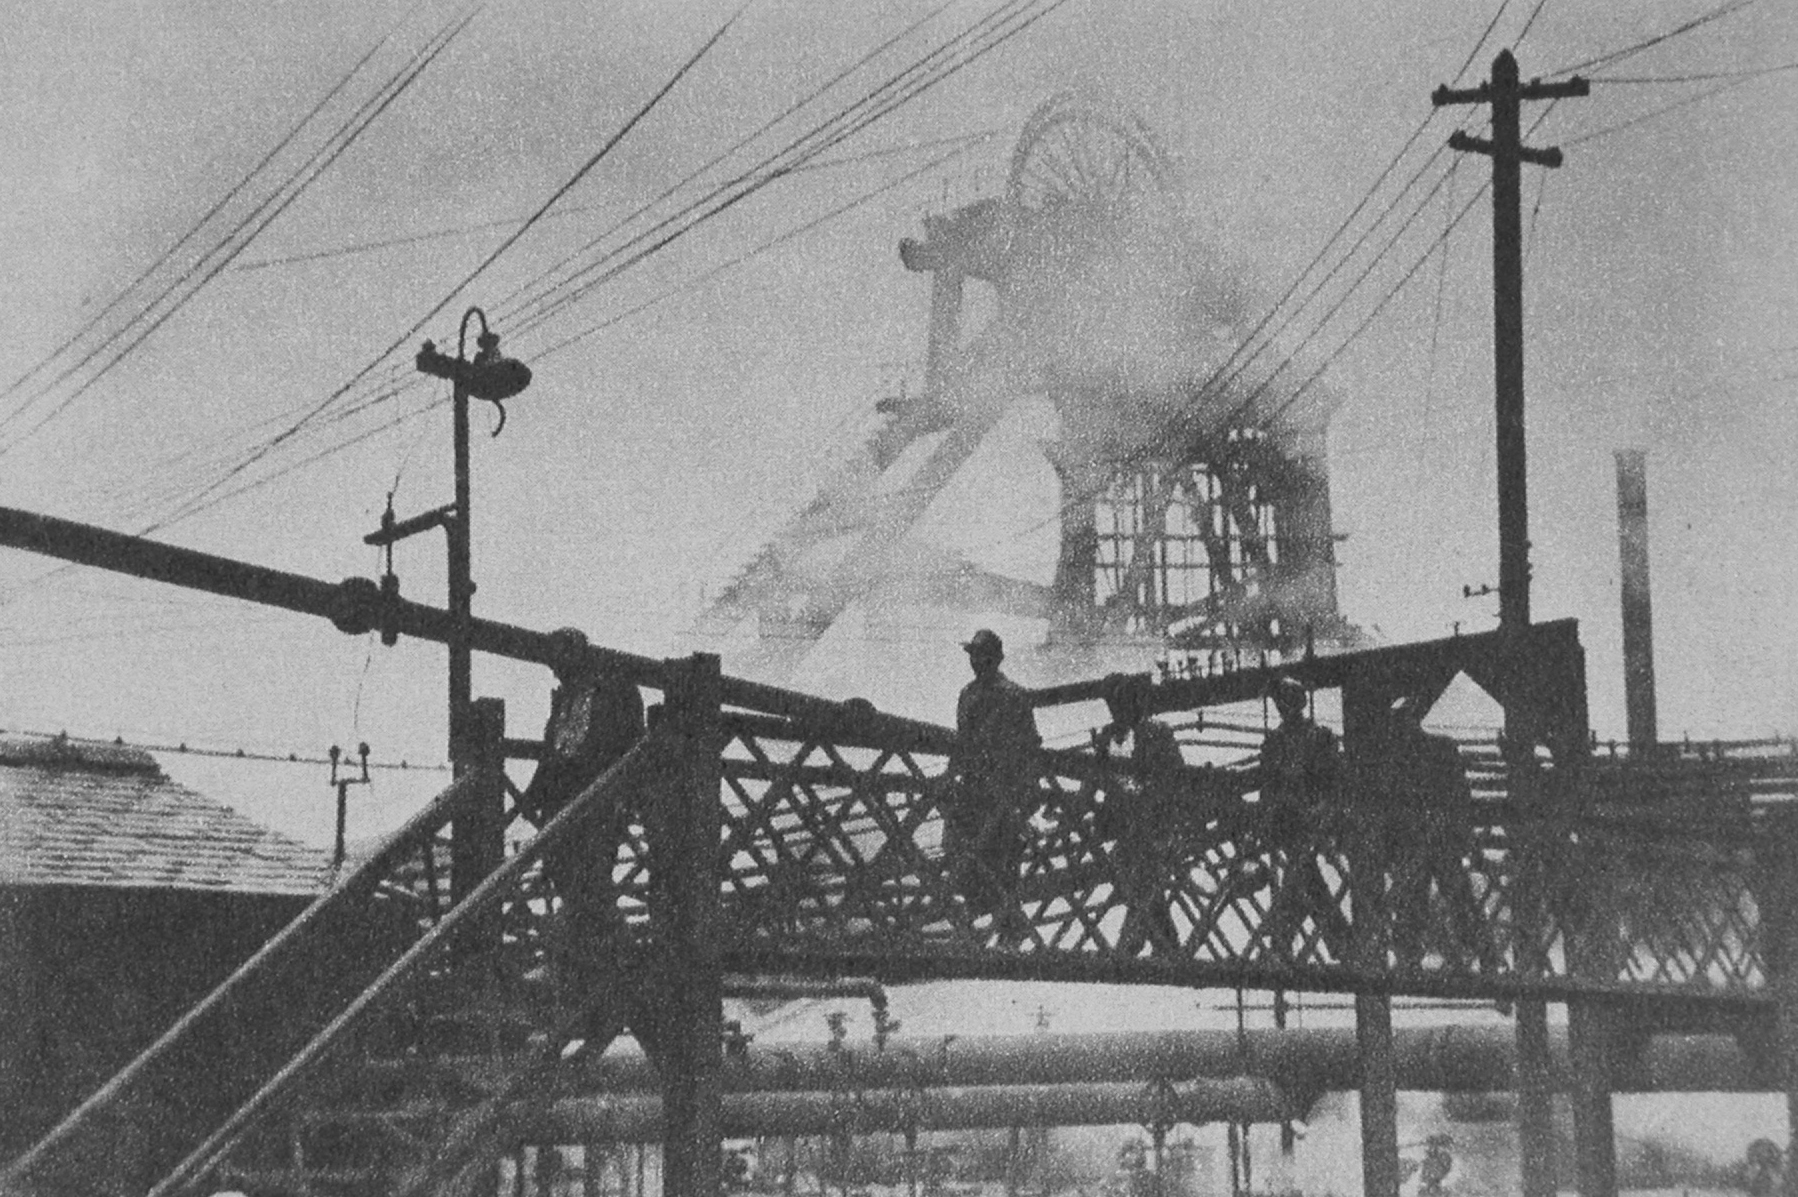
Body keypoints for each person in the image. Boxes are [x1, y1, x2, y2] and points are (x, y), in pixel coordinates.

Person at [520, 628, 646, 971]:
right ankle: (599, 953)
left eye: (560, 663)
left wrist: (623, 796)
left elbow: (630, 746)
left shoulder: (615, 692)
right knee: (566, 873)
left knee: (590, 876)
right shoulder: (567, 698)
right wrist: (533, 795)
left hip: (596, 800)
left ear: (577, 656)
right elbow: (553, 752)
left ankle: (611, 956)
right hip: (563, 803)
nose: (556, 672)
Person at [1371, 696, 1496, 973]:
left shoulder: (1433, 749)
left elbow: (1458, 795)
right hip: (1423, 840)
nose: (1401, 726)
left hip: (1438, 838)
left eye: (1403, 719)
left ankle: (1482, 956)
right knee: (1419, 900)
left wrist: (1460, 833)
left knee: (1451, 897)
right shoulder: (1410, 754)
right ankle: (1412, 958)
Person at [944, 629, 1041, 944]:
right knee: (972, 861)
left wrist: (1028, 798)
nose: (977, 661)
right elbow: (961, 746)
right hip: (976, 794)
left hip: (1003, 793)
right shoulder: (967, 694)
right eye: (973, 655)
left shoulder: (1013, 696)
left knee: (1004, 863)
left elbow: (1029, 748)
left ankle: (1007, 931)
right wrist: (949, 779)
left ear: (996, 659)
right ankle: (988, 929)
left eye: (983, 655)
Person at [1254, 675, 1352, 959]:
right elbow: (1267, 786)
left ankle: (1285, 943)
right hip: (1288, 820)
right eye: (1281, 703)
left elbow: (1335, 780)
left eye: (1286, 702)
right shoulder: (1276, 742)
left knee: (1302, 877)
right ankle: (1339, 941)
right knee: (1304, 876)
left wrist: (1324, 810)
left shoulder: (1318, 737)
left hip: (1313, 818)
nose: (1283, 708)